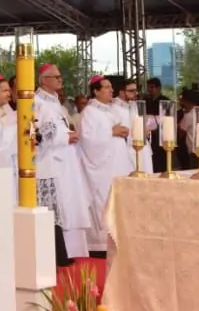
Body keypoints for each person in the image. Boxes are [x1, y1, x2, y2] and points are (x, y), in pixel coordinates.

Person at [35, 64, 90, 264]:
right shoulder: (37, 101)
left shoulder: (55, 101)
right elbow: (39, 132)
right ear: (43, 80)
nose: (60, 79)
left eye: (60, 76)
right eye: (56, 77)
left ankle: (68, 250)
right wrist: (65, 137)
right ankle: (58, 253)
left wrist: (69, 133)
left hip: (65, 158)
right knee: (59, 206)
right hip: (50, 160)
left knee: (69, 203)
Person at [77, 76, 132, 254]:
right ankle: (99, 244)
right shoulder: (90, 112)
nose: (111, 90)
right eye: (106, 87)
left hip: (117, 164)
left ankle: (119, 237)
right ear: (96, 91)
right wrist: (111, 132)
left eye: (110, 87)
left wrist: (121, 132)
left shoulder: (108, 110)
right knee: (104, 200)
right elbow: (88, 140)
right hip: (102, 168)